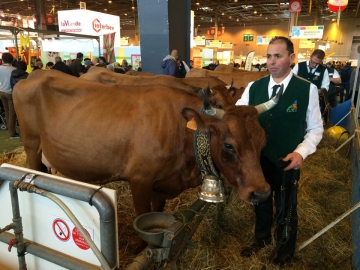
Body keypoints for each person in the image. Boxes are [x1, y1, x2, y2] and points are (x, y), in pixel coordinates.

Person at [236, 36, 323, 267]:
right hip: (259, 161)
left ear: (291, 58)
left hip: (287, 160)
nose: (271, 62)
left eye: (278, 56)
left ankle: (284, 253)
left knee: (287, 208)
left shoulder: (307, 89)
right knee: (261, 203)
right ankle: (261, 240)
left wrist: (301, 153)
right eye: (268, 56)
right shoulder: (253, 88)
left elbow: (315, 129)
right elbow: (237, 118)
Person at [292, 49, 329, 116]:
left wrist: (320, 90)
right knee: (295, 116)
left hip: (313, 100)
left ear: (321, 61)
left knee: (311, 118)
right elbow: (291, 81)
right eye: (313, 62)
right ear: (310, 56)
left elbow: (326, 86)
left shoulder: (323, 70)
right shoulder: (299, 66)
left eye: (317, 63)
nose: (314, 65)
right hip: (297, 99)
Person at [0, 53, 18, 139]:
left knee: (7, 112)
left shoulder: (0, 68)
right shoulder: (14, 69)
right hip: (10, 92)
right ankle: (12, 133)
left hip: (2, 91)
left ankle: (9, 129)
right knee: (12, 113)